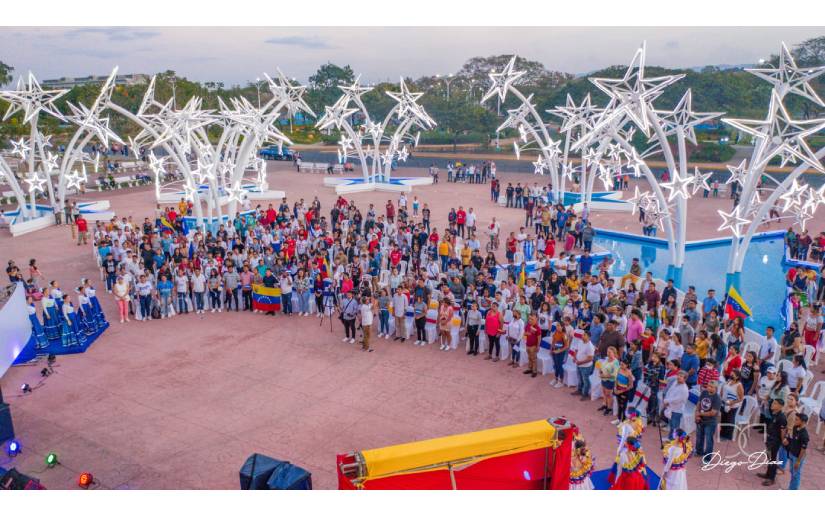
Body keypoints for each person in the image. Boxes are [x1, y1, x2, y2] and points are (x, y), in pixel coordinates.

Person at [758, 399, 787, 487]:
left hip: (775, 441)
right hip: (770, 439)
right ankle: (768, 474)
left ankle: (772, 479)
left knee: (773, 459)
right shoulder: (774, 414)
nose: (772, 404)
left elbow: (783, 431)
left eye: (775, 403)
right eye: (773, 403)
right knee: (769, 458)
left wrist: (782, 440)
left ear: (780, 406)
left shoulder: (781, 417)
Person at [694, 379, 721, 461]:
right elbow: (699, 403)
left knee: (709, 440)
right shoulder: (704, 393)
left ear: (715, 388)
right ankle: (699, 451)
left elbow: (712, 413)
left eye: (711, 387)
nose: (709, 388)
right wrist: (697, 414)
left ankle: (707, 458)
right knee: (699, 437)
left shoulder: (717, 398)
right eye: (708, 386)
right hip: (701, 419)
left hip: (710, 422)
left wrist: (700, 414)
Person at [784, 412, 809, 490]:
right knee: (792, 472)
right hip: (792, 454)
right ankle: (791, 488)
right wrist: (787, 440)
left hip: (798, 457)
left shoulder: (804, 435)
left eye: (797, 420)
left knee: (796, 475)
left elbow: (803, 449)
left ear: (803, 422)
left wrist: (798, 461)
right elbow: (793, 439)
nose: (795, 421)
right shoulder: (795, 427)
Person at [599, 346, 620, 415]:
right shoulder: (606, 359)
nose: (608, 353)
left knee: (608, 395)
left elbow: (614, 375)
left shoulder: (616, 362)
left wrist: (603, 376)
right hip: (603, 379)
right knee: (604, 393)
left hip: (610, 381)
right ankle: (604, 405)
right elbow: (602, 366)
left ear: (614, 353)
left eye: (609, 352)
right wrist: (600, 371)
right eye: (607, 352)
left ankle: (609, 408)